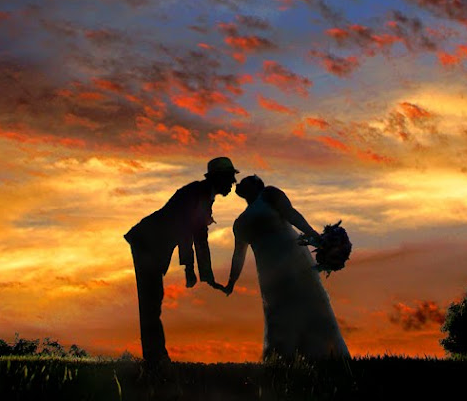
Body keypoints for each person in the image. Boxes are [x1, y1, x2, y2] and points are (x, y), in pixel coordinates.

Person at [124, 156, 238, 366]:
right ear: (218, 178)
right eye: (230, 178)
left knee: (153, 298)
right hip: (148, 242)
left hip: (151, 244)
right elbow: (186, 230)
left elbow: (199, 236)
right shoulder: (197, 194)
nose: (233, 183)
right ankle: (155, 358)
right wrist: (189, 268)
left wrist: (206, 276)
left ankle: (155, 356)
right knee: (151, 299)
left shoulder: (204, 196)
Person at [221, 175, 350, 360]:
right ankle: (285, 358)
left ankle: (325, 355)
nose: (238, 183)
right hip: (269, 272)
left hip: (294, 260)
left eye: (245, 180)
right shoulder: (240, 223)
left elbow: (292, 215)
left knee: (310, 303)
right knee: (280, 311)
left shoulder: (269, 194)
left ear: (256, 185)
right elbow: (238, 254)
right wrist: (231, 282)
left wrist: (314, 236)